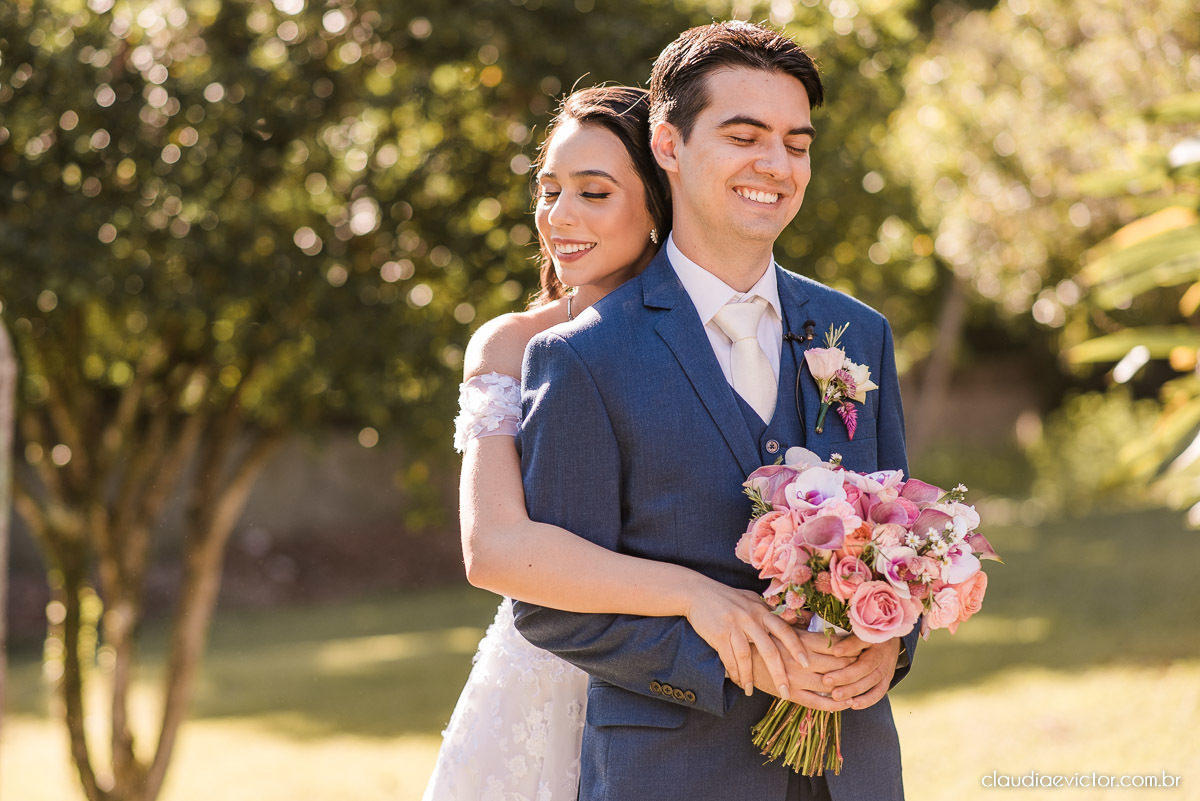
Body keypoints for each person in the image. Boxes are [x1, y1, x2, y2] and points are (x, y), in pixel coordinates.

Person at [513, 21, 919, 801]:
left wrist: (888, 639)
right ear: (668, 144)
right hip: (672, 775)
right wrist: (737, 655)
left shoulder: (859, 333)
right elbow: (550, 605)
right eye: (744, 137)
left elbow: (900, 532)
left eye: (796, 144)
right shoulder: (582, 358)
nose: (777, 165)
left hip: (855, 774)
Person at [425, 85, 808, 801]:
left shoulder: (743, 327)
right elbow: (493, 549)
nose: (559, 216)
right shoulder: (512, 343)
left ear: (660, 201)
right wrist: (694, 595)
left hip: (716, 711)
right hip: (550, 679)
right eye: (550, 191)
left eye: (594, 193)